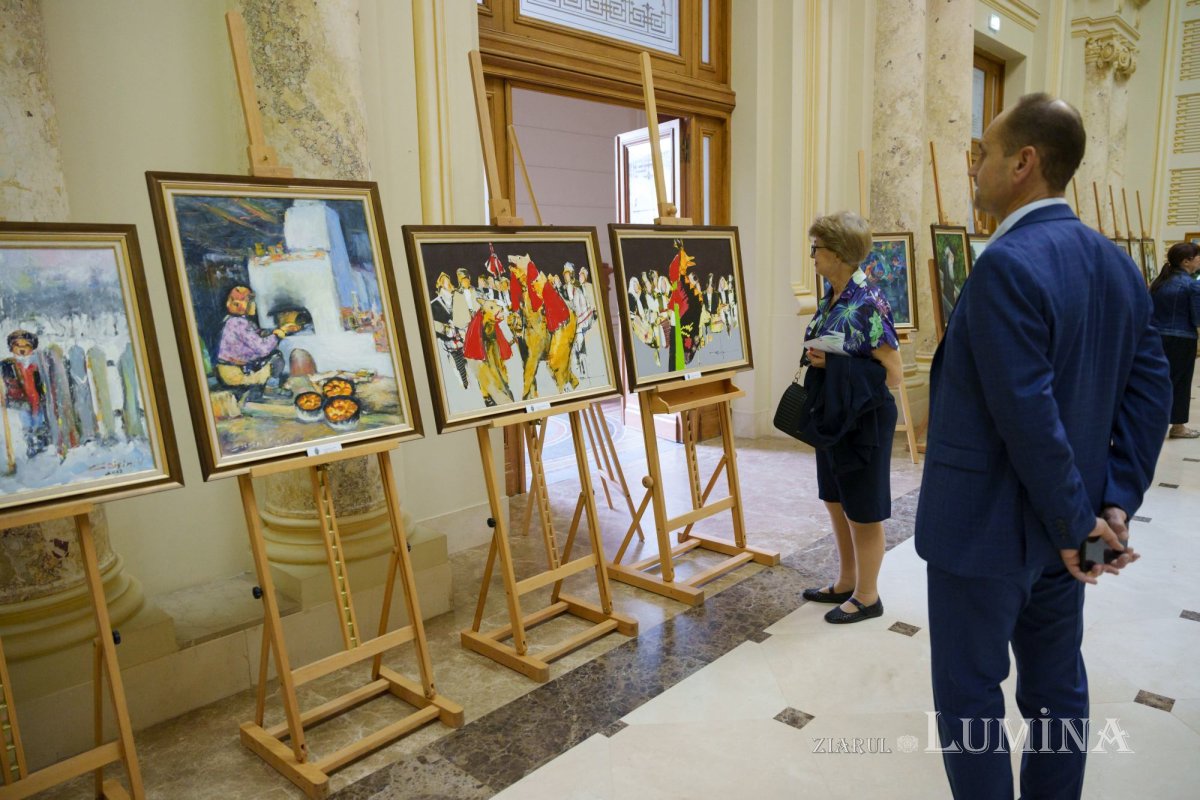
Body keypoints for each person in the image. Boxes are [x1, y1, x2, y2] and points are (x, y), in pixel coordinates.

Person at [915, 94, 1170, 800]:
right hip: (1077, 528)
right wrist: (1112, 506)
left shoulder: (1005, 264)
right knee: (1058, 688)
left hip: (988, 534)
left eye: (984, 155)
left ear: (1024, 163)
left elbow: (1027, 413)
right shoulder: (1119, 268)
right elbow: (1151, 398)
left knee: (971, 699)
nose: (975, 171)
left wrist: (1074, 525)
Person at [800, 211, 903, 624]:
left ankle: (867, 595)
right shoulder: (833, 294)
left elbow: (892, 373)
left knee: (863, 510)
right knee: (836, 500)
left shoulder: (868, 302)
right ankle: (845, 581)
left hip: (864, 422)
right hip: (835, 416)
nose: (812, 255)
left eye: (817, 248)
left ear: (839, 254)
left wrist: (832, 365)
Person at [1148, 241, 1200, 438]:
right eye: (1197, 257)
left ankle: (1150, 422)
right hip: (1182, 339)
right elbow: (1197, 318)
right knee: (1180, 383)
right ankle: (1177, 426)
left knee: (1157, 380)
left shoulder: (1158, 282)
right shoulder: (1192, 286)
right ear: (1186, 262)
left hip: (1156, 337)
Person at [214, 286, 297, 401]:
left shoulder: (234, 321)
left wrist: (270, 332)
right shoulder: (239, 323)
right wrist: (279, 333)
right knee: (276, 358)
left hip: (231, 368)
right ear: (240, 305)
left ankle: (260, 388)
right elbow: (263, 349)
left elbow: (253, 336)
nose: (254, 304)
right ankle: (271, 390)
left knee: (269, 357)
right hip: (235, 373)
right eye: (250, 300)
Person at [1, 329, 50, 458]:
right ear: (12, 347)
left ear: (32, 348)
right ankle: (30, 444)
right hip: (21, 400)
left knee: (38, 420)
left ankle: (40, 441)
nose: (22, 350)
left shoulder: (36, 363)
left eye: (26, 346)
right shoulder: (8, 364)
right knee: (26, 422)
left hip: (35, 397)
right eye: (18, 346)